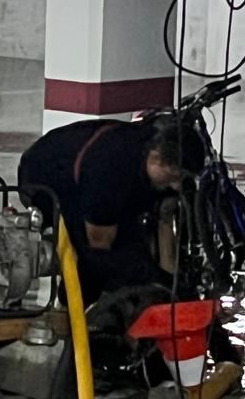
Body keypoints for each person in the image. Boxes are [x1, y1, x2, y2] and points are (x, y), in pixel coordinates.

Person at [17, 115, 204, 304]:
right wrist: (144, 276)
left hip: (97, 174)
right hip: (46, 179)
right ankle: (75, 312)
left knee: (138, 259)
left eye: (182, 178)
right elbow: (99, 244)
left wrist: (170, 285)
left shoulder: (157, 154)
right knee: (95, 261)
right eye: (173, 178)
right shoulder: (110, 171)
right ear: (156, 159)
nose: (176, 186)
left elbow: (164, 221)